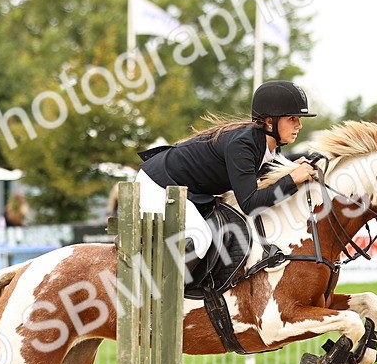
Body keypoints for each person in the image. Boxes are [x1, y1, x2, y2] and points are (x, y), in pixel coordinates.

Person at [136, 80, 319, 273]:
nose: (299, 125)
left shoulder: (265, 147)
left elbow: (270, 170)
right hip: (158, 184)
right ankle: (164, 296)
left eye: (299, 119)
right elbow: (250, 203)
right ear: (269, 121)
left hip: (183, 188)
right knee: (200, 238)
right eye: (292, 119)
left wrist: (294, 167)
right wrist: (291, 179)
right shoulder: (243, 145)